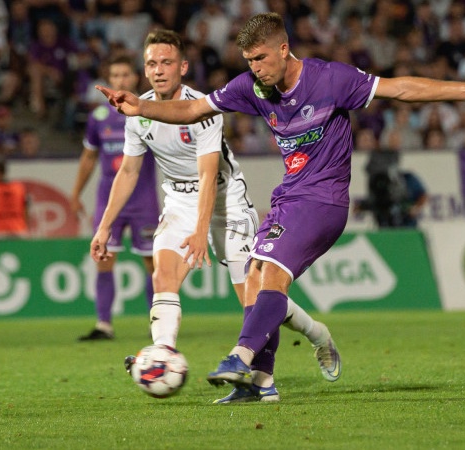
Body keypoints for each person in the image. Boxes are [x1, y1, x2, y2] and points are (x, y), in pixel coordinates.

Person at [96, 12, 465, 399]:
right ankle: (265, 381)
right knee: (256, 281)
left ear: (284, 49)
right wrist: (140, 107)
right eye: (249, 61)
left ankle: (240, 357)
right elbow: (192, 109)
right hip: (288, 196)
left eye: (260, 59)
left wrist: (464, 90)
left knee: (269, 275)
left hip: (324, 198)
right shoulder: (252, 88)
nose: (255, 69)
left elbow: (401, 88)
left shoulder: (331, 78)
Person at [91, 29, 338, 404]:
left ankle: (311, 338)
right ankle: (163, 354)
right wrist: (104, 226)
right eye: (151, 64)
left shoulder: (203, 109)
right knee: (164, 275)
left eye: (166, 63)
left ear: (183, 67)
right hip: (177, 202)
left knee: (254, 300)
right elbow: (127, 172)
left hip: (227, 202)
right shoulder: (137, 112)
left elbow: (208, 175)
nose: (158, 71)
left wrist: (202, 230)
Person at [71, 55, 160, 341]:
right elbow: (88, 157)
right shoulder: (98, 118)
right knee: (104, 258)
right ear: (109, 80)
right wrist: (75, 193)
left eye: (125, 74)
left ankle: (157, 323)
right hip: (107, 200)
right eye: (115, 75)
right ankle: (103, 325)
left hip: (143, 200)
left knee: (152, 264)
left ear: (135, 78)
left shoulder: (149, 112)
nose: (120, 80)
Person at [354, 150, 428, 228]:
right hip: (385, 229)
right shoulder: (377, 184)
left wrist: (415, 208)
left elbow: (423, 194)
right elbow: (374, 202)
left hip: (407, 227)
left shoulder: (407, 178)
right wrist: (361, 206)